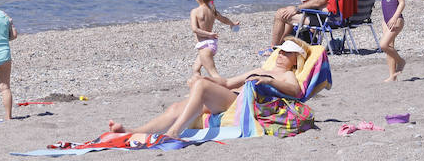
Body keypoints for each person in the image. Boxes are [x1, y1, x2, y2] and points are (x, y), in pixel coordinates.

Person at [107, 37, 308, 139]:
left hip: (244, 104)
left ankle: (175, 132)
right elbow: (228, 83)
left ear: (295, 60)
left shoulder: (287, 75)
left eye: (287, 54)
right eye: (280, 51)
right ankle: (132, 132)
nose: (281, 55)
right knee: (177, 107)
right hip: (233, 96)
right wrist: (206, 79)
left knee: (201, 87)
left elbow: (295, 91)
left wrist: (271, 81)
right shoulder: (260, 68)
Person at [190, 0, 240, 79]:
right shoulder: (212, 10)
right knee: (196, 69)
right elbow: (223, 19)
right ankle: (200, 88)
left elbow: (195, 29)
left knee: (214, 74)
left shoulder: (195, 11)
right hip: (211, 45)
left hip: (205, 46)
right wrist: (232, 23)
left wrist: (209, 34)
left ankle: (224, 88)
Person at [373, 0, 406, 82]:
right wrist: (384, 20)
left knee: (383, 45)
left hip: (396, 20)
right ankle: (393, 76)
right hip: (386, 21)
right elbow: (386, 6)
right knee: (389, 48)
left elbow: (402, 3)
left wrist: (394, 18)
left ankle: (401, 61)